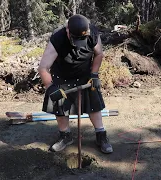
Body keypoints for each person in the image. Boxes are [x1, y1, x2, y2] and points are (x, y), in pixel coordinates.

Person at [38, 14, 113, 154]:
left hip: (85, 75)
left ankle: (101, 136)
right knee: (60, 108)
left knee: (94, 105)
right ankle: (65, 136)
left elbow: (99, 54)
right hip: (62, 76)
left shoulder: (93, 34)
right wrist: (51, 87)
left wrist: (94, 74)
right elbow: (43, 68)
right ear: (68, 30)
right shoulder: (58, 38)